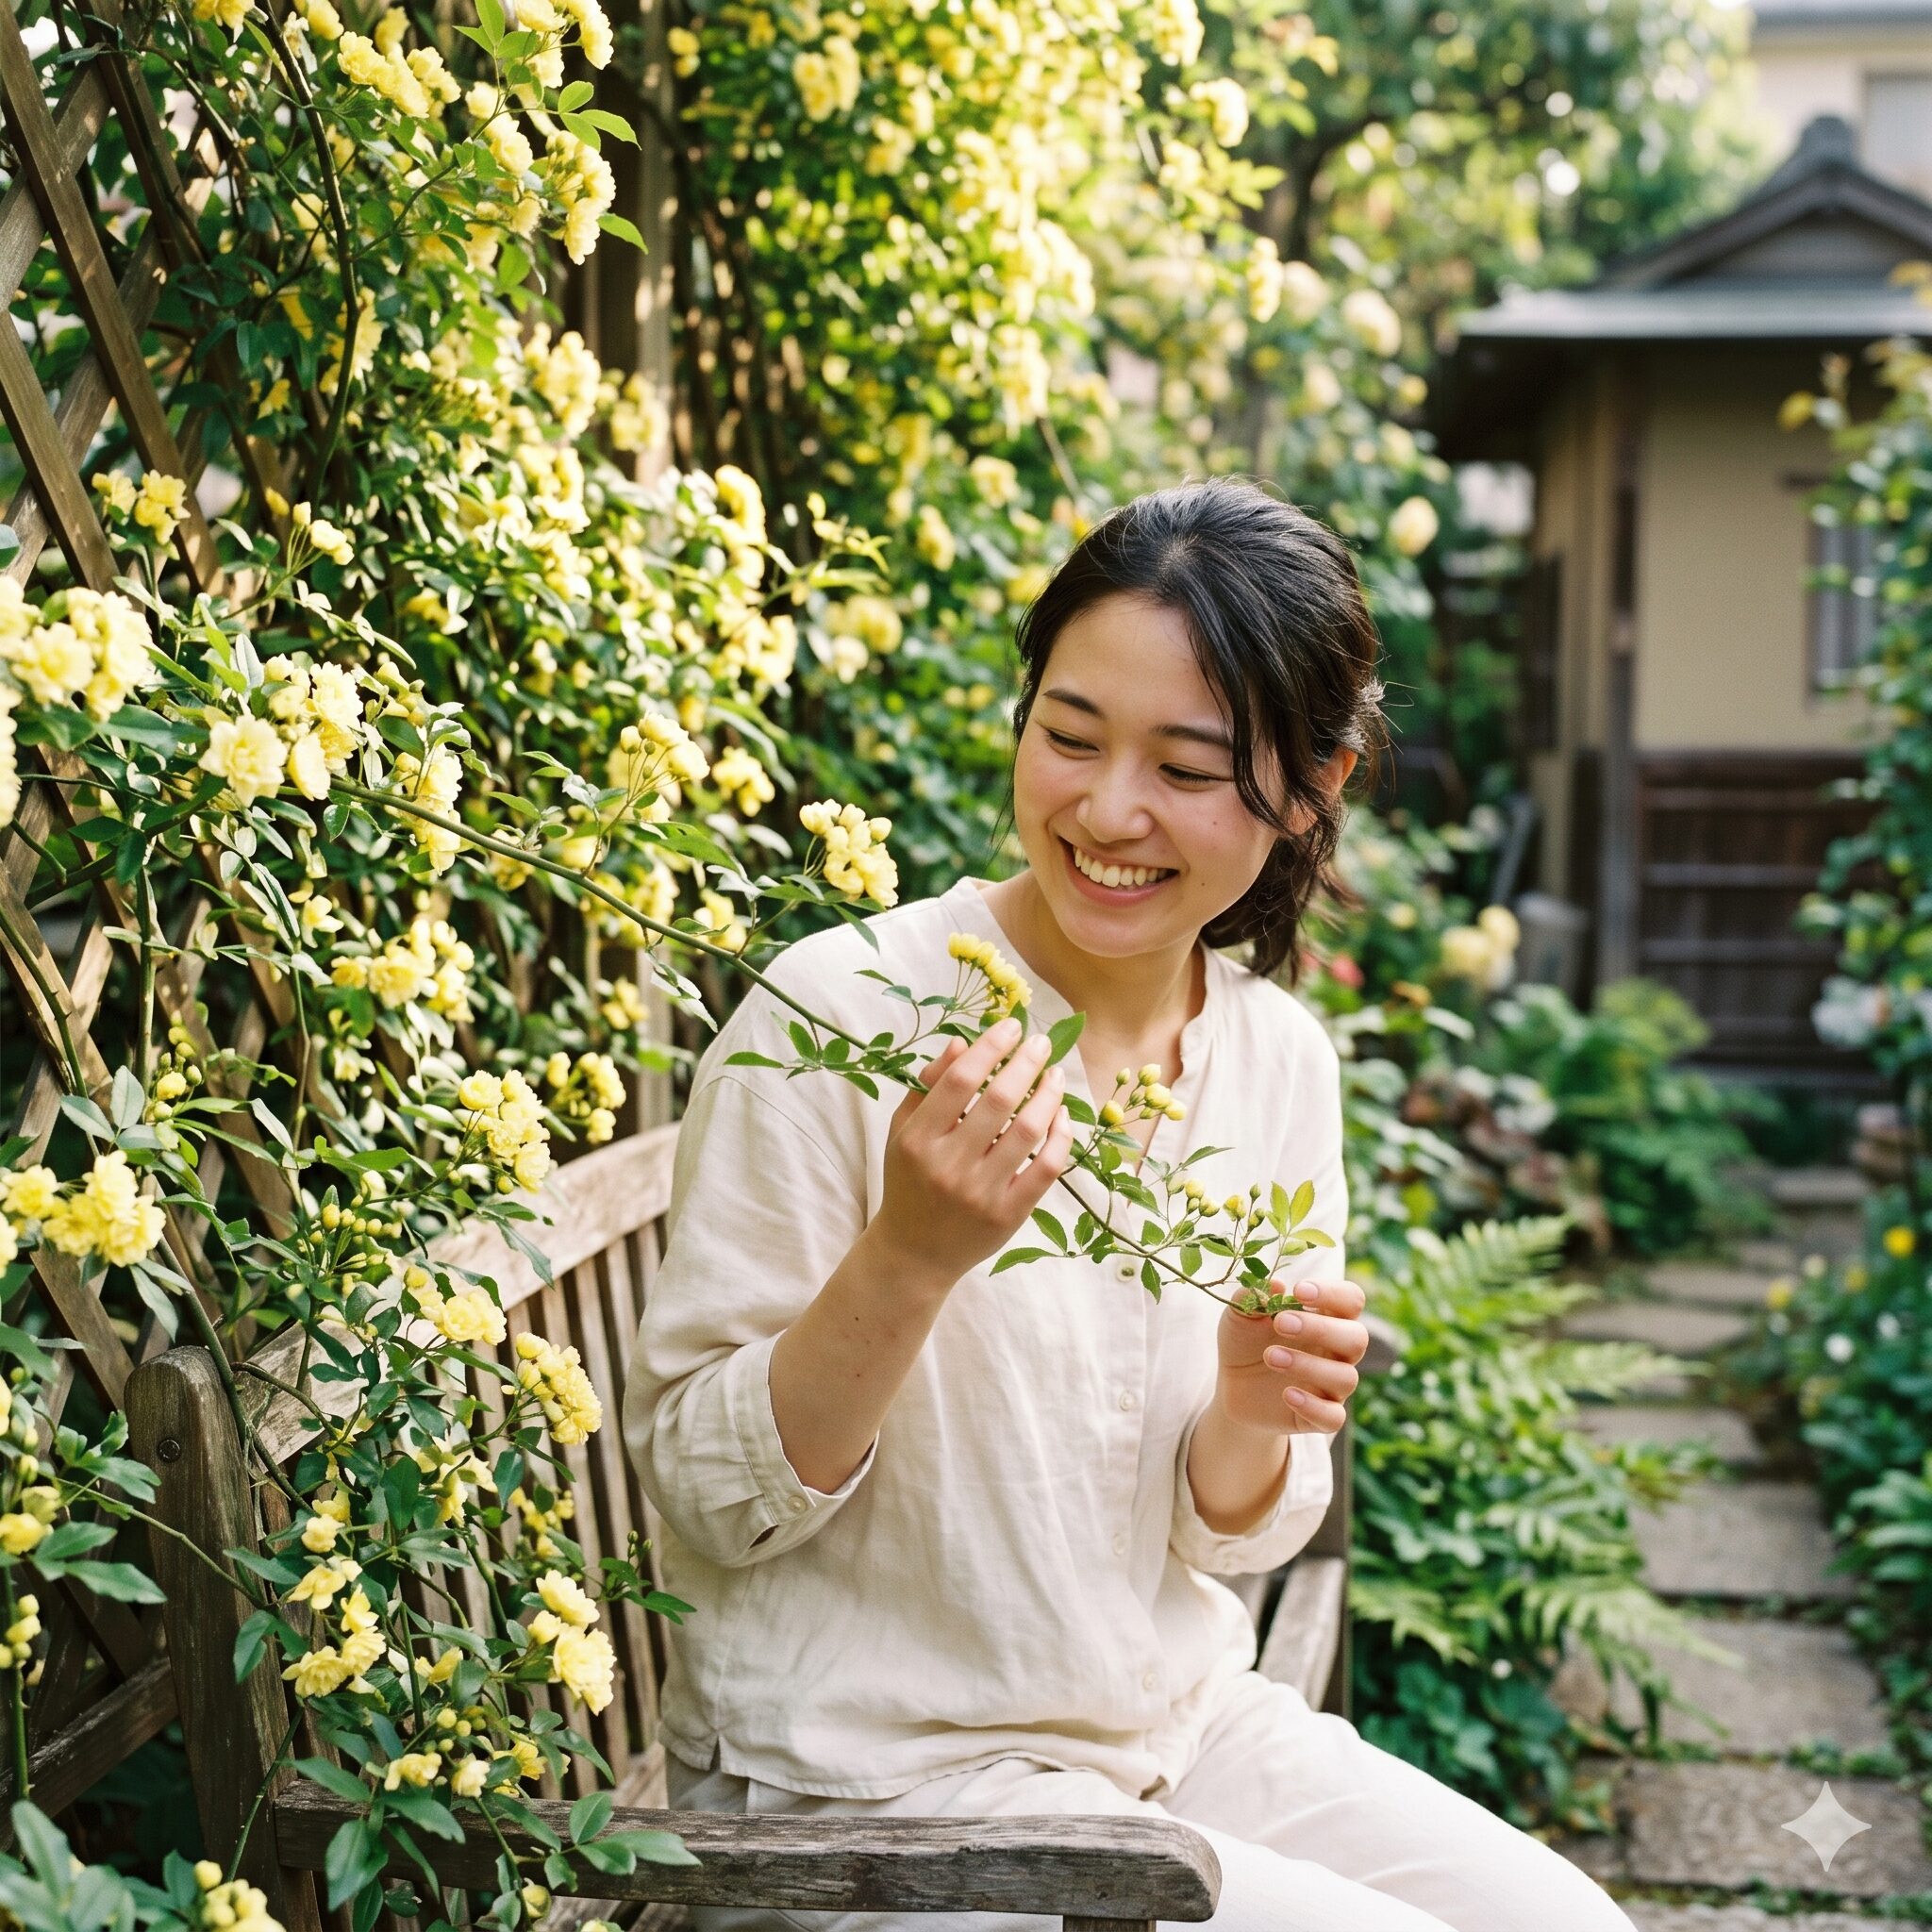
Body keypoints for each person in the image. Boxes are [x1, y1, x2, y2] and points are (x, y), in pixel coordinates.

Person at [622, 477, 1635, 1932]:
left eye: (1187, 766)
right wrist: (910, 1258)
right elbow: (707, 1500)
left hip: (1172, 1733)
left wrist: (1252, 1410)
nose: (1107, 810)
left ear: (1315, 786)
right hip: (870, 1793)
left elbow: (1233, 1536)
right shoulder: (840, 1018)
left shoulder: (1275, 1058)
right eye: (1071, 735)